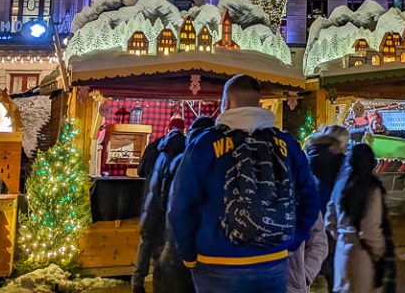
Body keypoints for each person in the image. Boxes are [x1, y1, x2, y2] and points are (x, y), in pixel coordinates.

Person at [167, 75, 319, 293]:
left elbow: (180, 205)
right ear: (258, 103)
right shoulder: (286, 144)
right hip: (272, 261)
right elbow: (310, 199)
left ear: (226, 103)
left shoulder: (204, 144)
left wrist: (189, 255)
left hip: (217, 261)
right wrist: (291, 243)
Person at [156, 116, 215, 293]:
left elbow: (163, 203)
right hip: (197, 247)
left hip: (175, 244)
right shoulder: (211, 162)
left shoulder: (174, 159)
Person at [326, 143, 395, 293]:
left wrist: (340, 237)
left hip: (342, 251)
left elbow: (330, 220)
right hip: (363, 254)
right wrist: (379, 252)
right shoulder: (371, 187)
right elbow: (370, 229)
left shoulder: (340, 185)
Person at [132, 115, 187, 293]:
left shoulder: (155, 145)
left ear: (167, 128)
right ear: (184, 129)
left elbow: (140, 171)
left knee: (146, 242)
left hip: (151, 201)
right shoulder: (188, 146)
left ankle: (137, 282)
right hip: (174, 205)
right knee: (166, 247)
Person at [305, 125, 351, 292]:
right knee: (334, 275)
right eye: (346, 145)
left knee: (312, 272)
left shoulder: (307, 158)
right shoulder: (341, 164)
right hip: (332, 227)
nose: (347, 149)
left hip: (309, 224)